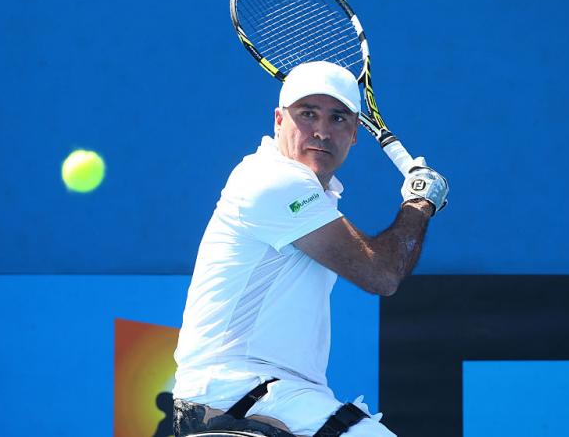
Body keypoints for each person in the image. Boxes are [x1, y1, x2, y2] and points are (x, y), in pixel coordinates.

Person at [172, 61, 449, 437]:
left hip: (269, 392)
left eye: (337, 118)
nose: (321, 131)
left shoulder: (312, 194)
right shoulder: (272, 181)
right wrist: (419, 203)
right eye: (307, 114)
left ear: (354, 134)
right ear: (278, 121)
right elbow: (381, 274)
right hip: (238, 391)